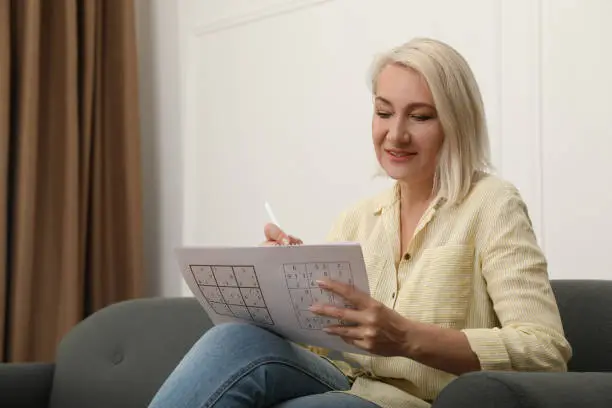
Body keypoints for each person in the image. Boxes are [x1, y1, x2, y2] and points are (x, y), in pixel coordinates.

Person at [148, 37, 572, 408]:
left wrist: (406, 336)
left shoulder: (492, 204)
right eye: (384, 112)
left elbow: (546, 350)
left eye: (420, 117)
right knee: (233, 340)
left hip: (418, 402)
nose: (395, 135)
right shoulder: (357, 219)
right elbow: (325, 346)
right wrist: (285, 290)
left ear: (456, 123)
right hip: (347, 385)